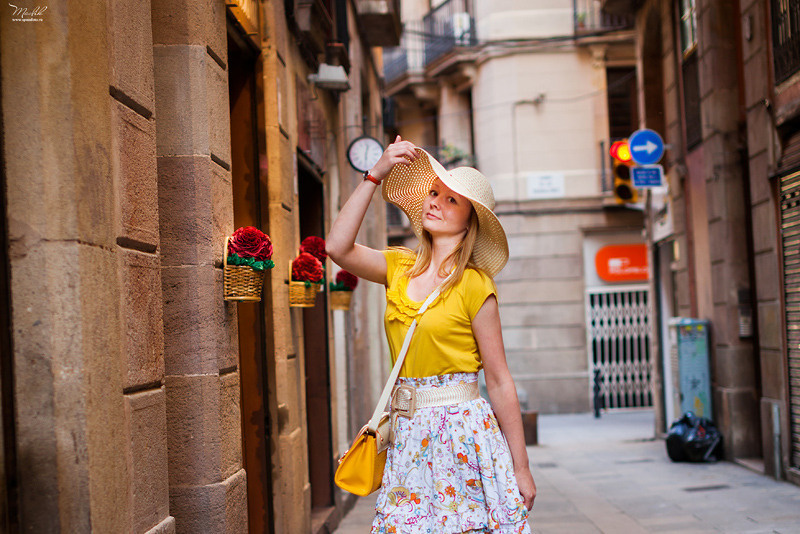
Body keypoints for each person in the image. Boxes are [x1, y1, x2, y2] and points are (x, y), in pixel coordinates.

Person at [327, 136, 536, 533]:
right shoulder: (397, 268)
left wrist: (521, 467)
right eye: (434, 192)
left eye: (452, 200)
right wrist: (376, 173)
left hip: (465, 436)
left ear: (471, 219)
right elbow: (337, 247)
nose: (436, 201)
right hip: (409, 434)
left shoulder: (476, 285)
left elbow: (499, 380)